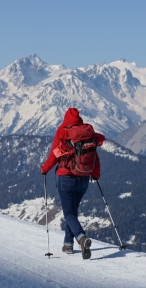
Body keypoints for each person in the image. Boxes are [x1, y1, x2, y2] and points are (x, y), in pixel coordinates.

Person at [40, 108, 105, 260]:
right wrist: (95, 175)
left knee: (69, 212)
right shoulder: (87, 135)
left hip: (66, 177)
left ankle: (81, 238)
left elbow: (54, 155)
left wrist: (44, 169)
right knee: (73, 211)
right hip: (84, 178)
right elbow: (95, 157)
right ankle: (68, 244)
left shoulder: (63, 132)